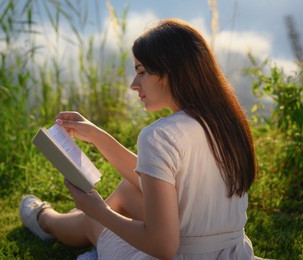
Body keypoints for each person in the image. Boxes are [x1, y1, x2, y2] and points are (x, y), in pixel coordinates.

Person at [20, 18, 258, 259]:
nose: (134, 85)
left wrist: (99, 210)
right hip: (231, 252)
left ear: (169, 74)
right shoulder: (227, 122)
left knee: (93, 223)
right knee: (127, 190)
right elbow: (159, 177)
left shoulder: (159, 135)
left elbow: (163, 246)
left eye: (142, 72)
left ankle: (45, 219)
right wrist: (97, 136)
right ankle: (64, 218)